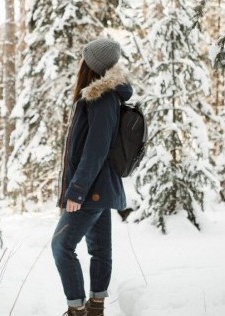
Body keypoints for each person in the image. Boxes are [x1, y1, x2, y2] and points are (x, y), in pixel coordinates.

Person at [52, 38, 132, 316]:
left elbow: (95, 150)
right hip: (99, 188)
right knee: (99, 249)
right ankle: (95, 306)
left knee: (61, 246)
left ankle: (77, 310)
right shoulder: (102, 96)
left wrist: (76, 190)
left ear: (92, 65)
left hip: (91, 190)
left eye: (85, 58)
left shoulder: (100, 97)